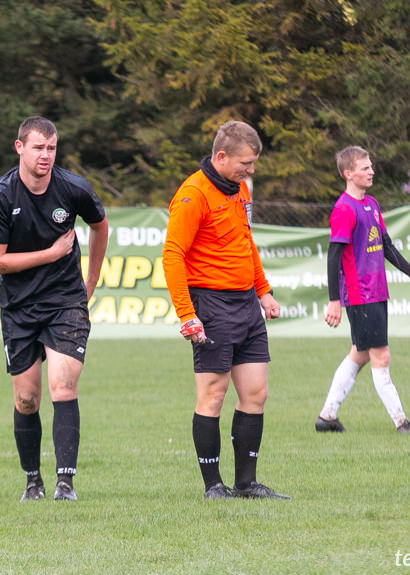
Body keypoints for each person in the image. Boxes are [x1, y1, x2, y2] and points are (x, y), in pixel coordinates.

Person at [0, 116, 108, 502]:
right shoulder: (0, 195)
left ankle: (65, 483)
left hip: (65, 302)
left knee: (63, 386)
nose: (46, 156)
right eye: (38, 148)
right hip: (19, 307)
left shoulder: (73, 189)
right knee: (26, 399)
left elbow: (100, 226)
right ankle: (32, 481)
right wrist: (50, 254)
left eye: (51, 148)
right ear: (19, 147)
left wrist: (91, 281)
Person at [162, 120, 290, 500]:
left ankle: (247, 483)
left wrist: (263, 291)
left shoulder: (240, 190)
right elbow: (172, 256)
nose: (250, 171)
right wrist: (187, 313)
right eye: (245, 163)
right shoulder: (193, 195)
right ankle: (213, 486)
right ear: (221, 157)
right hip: (211, 305)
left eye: (252, 164)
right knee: (213, 395)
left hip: (246, 302)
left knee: (256, 393)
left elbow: (245, 241)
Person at [315, 146, 410, 434]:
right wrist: (334, 300)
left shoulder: (372, 204)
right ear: (348, 174)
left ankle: (327, 416)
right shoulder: (344, 209)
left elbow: (387, 246)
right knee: (380, 355)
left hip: (377, 292)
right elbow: (334, 256)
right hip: (360, 294)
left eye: (371, 167)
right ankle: (401, 422)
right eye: (365, 168)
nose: (372, 171)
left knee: (361, 353)